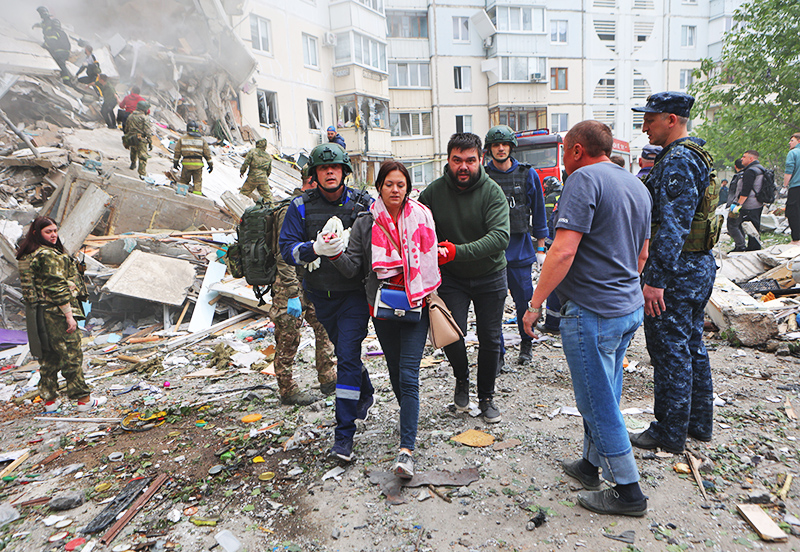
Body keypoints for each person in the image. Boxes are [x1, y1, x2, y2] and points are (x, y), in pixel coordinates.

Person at [522, 120, 651, 517]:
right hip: (627, 308)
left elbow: (562, 251)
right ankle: (590, 466)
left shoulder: (582, 180)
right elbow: (643, 255)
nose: (563, 159)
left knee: (596, 403)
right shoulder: (637, 185)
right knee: (607, 392)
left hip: (594, 311)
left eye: (564, 151)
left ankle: (629, 492)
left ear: (576, 150)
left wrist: (534, 304)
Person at [330, 160, 441, 478]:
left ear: (407, 188)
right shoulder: (366, 222)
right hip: (382, 306)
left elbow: (430, 258)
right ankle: (408, 414)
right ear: (379, 187)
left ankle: (407, 450)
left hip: (416, 302)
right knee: (394, 370)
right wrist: (335, 253)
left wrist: (426, 289)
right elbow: (353, 267)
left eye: (401, 184)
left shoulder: (421, 216)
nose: (395, 189)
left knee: (408, 375)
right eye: (389, 184)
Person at [630, 92, 717, 455]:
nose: (644, 125)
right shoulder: (693, 154)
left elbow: (674, 227)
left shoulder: (679, 160)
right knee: (692, 344)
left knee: (670, 352)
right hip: (698, 267)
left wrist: (656, 281)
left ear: (671, 119)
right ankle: (697, 423)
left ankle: (668, 431)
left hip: (678, 272)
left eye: (650, 119)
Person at [279, 143, 374, 462]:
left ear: (345, 172)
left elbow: (387, 230)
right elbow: (286, 250)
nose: (330, 172)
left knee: (346, 358)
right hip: (320, 296)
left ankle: (343, 435)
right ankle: (366, 390)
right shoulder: (300, 207)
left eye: (335, 168)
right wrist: (313, 249)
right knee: (346, 355)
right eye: (323, 168)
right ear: (315, 174)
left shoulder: (362, 204)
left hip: (354, 296)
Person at [418, 133, 510, 423]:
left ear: (480, 159)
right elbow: (417, 227)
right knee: (450, 334)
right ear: (448, 160)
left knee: (490, 338)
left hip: (490, 274)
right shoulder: (433, 193)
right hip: (452, 278)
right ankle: (461, 379)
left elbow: (499, 238)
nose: (463, 167)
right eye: (457, 160)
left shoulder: (492, 192)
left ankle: (487, 397)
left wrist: (457, 251)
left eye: (470, 160)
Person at [17, 217, 106, 413]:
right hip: (55, 311)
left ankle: (50, 402)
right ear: (36, 233)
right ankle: (84, 400)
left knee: (48, 357)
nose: (53, 235)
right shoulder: (47, 255)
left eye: (55, 231)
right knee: (71, 354)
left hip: (37, 313)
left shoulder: (28, 254)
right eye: (48, 231)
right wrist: (68, 315)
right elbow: (55, 286)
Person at [270, 165, 337, 406]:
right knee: (289, 337)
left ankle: (328, 379)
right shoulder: (290, 208)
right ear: (311, 179)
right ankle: (287, 390)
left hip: (311, 280)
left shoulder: (311, 206)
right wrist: (291, 293)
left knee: (324, 327)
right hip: (289, 283)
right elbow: (282, 256)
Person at [483, 125, 548, 365]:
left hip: (521, 250)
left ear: (511, 147)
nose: (500, 149)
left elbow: (539, 211)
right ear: (489, 149)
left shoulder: (527, 174)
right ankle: (497, 353)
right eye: (495, 145)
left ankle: (526, 344)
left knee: (525, 302)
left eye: (504, 144)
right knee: (492, 307)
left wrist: (541, 247)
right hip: (491, 253)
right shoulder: (483, 176)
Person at [728, 150, 765, 252]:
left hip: (748, 204)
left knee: (732, 223)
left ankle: (741, 246)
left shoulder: (750, 171)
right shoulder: (760, 169)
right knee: (754, 225)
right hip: (758, 203)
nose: (742, 159)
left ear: (751, 159)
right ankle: (753, 246)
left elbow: (746, 190)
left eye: (744, 157)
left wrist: (738, 205)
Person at [542, 176, 563, 334]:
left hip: (558, 246)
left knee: (554, 285)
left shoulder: (552, 198)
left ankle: (552, 324)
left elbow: (550, 220)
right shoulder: (565, 193)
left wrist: (546, 246)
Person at [173, 121, 213, 195]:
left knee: (184, 182)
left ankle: (181, 196)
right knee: (197, 182)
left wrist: (175, 163)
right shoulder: (202, 140)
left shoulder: (182, 139)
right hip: (198, 165)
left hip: (186, 165)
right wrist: (210, 164)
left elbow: (177, 152)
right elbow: (207, 153)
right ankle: (196, 198)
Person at [123, 101, 152, 179]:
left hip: (131, 137)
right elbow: (147, 130)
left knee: (133, 150)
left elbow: (126, 128)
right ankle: (142, 174)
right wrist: (150, 140)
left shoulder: (131, 116)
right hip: (140, 138)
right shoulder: (144, 118)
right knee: (143, 157)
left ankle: (133, 163)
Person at [41, 18, 71, 82]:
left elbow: (52, 43)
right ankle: (65, 79)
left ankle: (66, 81)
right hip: (66, 52)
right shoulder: (63, 33)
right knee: (62, 65)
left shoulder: (54, 33)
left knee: (61, 65)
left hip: (59, 52)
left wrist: (45, 46)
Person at [783, 133, 800, 245]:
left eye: (792, 140)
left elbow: (789, 170)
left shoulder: (793, 153)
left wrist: (785, 185)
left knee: (792, 212)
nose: (790, 142)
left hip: (796, 187)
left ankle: (796, 239)